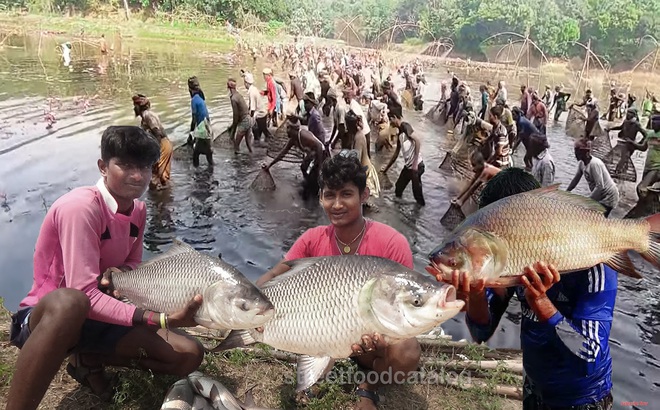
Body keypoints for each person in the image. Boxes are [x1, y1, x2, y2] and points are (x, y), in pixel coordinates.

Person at [6, 126, 204, 410]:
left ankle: (86, 359)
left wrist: (121, 273)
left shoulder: (138, 210)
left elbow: (132, 265)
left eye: (145, 167)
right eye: (125, 165)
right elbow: (83, 289)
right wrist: (157, 319)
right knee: (70, 302)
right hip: (49, 321)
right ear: (103, 166)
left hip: (100, 315)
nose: (137, 176)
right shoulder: (81, 208)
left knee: (189, 354)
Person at [437, 167, 616, 410]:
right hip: (534, 385)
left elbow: (589, 356)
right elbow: (481, 331)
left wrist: (541, 302)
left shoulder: (595, 266)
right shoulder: (512, 259)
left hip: (582, 398)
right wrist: (476, 293)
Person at [256, 153, 419, 410]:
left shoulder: (392, 243)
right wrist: (247, 300)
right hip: (327, 332)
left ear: (364, 195)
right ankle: (320, 374)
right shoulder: (312, 238)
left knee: (408, 352)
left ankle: (369, 386)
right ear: (321, 198)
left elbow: (403, 306)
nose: (337, 204)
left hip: (373, 342)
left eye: (346, 194)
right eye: (329, 195)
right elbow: (275, 274)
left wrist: (384, 338)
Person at [263, 116, 326, 199]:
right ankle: (311, 189)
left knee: (309, 172)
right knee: (304, 168)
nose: (286, 131)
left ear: (294, 129)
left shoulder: (303, 135)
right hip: (312, 157)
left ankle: (315, 193)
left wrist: (320, 167)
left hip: (322, 154)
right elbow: (282, 153)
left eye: (288, 128)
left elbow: (319, 146)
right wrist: (269, 165)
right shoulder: (293, 140)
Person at [381, 111, 425, 206]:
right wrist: (386, 169)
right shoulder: (400, 133)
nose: (390, 122)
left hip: (416, 167)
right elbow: (396, 153)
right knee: (398, 188)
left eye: (391, 119)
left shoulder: (405, 126)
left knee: (418, 196)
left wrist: (415, 163)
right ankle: (398, 213)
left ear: (395, 117)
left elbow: (417, 141)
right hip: (408, 167)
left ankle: (420, 217)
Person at [567, 139, 619, 217]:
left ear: (585, 153)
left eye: (577, 151)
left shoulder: (594, 164)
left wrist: (588, 201)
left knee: (595, 219)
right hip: (600, 195)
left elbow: (600, 186)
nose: (575, 154)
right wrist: (566, 192)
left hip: (608, 196)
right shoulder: (582, 164)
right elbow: (575, 180)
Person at [132, 94, 172, 190]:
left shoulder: (148, 115)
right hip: (162, 144)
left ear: (139, 107)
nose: (134, 109)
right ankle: (164, 199)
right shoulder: (144, 117)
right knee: (159, 178)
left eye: (135, 106)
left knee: (156, 179)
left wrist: (156, 152)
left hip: (162, 145)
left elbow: (157, 132)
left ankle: (162, 200)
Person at [345, 110, 380, 204]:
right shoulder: (355, 134)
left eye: (347, 124)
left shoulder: (358, 137)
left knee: (368, 206)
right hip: (364, 171)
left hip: (366, 175)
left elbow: (356, 161)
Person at [604, 107, 646, 176]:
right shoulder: (626, 121)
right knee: (624, 157)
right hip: (623, 142)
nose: (628, 114)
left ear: (633, 115)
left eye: (630, 113)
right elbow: (620, 127)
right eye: (627, 112)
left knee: (624, 158)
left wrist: (638, 143)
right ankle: (622, 171)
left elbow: (645, 135)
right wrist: (610, 129)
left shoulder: (636, 124)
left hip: (630, 145)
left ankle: (617, 172)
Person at [188, 76, 213, 167]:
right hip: (207, 126)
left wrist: (191, 134)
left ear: (189, 89)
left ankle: (197, 174)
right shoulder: (201, 97)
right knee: (208, 153)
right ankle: (211, 169)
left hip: (203, 128)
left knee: (196, 154)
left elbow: (194, 119)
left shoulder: (194, 100)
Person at [636, 114, 660, 200]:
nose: (652, 124)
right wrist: (633, 144)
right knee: (646, 190)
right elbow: (643, 147)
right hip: (647, 166)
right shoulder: (650, 134)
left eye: (655, 122)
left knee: (641, 188)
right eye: (652, 122)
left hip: (657, 167)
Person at [245, 73, 273, 143]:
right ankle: (264, 142)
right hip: (262, 112)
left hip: (260, 114)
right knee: (262, 131)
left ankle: (267, 143)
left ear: (246, 83)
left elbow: (252, 109)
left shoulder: (251, 92)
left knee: (260, 131)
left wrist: (250, 119)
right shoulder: (254, 89)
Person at [228, 78, 253, 154]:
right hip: (249, 119)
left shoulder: (233, 98)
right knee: (248, 144)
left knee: (236, 146)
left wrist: (233, 130)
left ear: (228, 87)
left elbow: (236, 115)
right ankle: (251, 155)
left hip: (244, 122)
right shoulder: (238, 95)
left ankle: (237, 164)